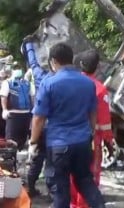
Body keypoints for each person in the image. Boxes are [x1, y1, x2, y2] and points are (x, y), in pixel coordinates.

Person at [28, 42, 105, 208]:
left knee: (59, 190)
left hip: (59, 145)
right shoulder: (88, 83)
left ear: (54, 61)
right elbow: (93, 112)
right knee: (86, 181)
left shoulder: (49, 83)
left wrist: (33, 142)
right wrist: (89, 133)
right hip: (83, 143)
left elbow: (39, 118)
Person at [70, 49, 114, 208]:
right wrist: (109, 142)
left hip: (69, 137)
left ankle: (73, 204)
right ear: (97, 67)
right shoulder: (100, 89)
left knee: (72, 174)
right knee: (89, 175)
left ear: (80, 64)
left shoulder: (70, 84)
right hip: (91, 139)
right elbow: (104, 122)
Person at [22, 37, 53, 197]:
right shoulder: (57, 80)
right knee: (51, 159)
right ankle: (51, 190)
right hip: (52, 126)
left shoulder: (39, 75)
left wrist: (28, 45)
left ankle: (31, 186)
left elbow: (33, 62)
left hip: (38, 125)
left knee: (37, 156)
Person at [0, 68, 35, 150]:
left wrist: (33, 110)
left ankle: (20, 157)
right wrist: (4, 109)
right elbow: (3, 97)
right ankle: (10, 159)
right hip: (13, 115)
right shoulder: (8, 83)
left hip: (26, 114)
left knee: (23, 140)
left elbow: (32, 97)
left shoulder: (27, 83)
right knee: (11, 141)